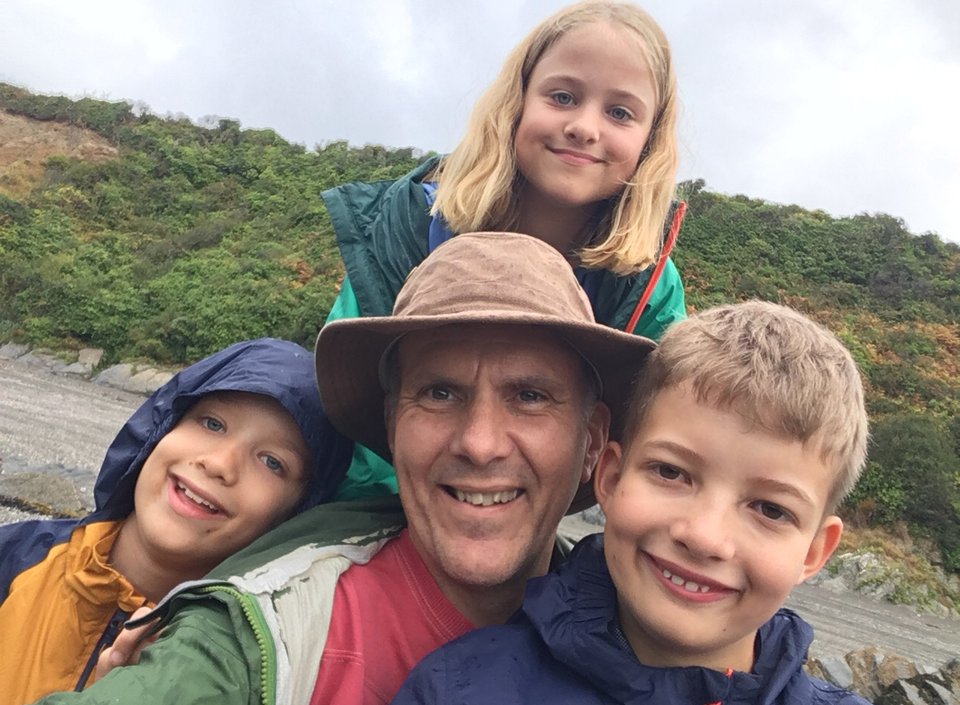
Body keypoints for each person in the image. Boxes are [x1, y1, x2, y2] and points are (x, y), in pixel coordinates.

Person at [34, 231, 655, 705]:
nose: (481, 443)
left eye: (530, 396)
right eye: (439, 393)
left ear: (593, 442)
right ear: (392, 424)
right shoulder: (261, 634)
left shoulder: (648, 622)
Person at [390, 300, 872, 705]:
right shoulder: (457, 690)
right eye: (671, 473)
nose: (704, 537)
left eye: (770, 509)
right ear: (611, 477)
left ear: (815, 552)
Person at [322, 0, 686, 501]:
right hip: (378, 501)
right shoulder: (407, 229)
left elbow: (656, 437)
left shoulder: (647, 282)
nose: (585, 127)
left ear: (651, 140)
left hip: (544, 511)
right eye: (562, 96)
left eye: (620, 112)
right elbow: (347, 407)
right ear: (516, 102)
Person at [0, 338, 353, 704]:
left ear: (296, 512)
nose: (219, 464)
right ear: (161, 426)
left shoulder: (241, 674)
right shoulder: (13, 558)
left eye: (272, 462)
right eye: (212, 423)